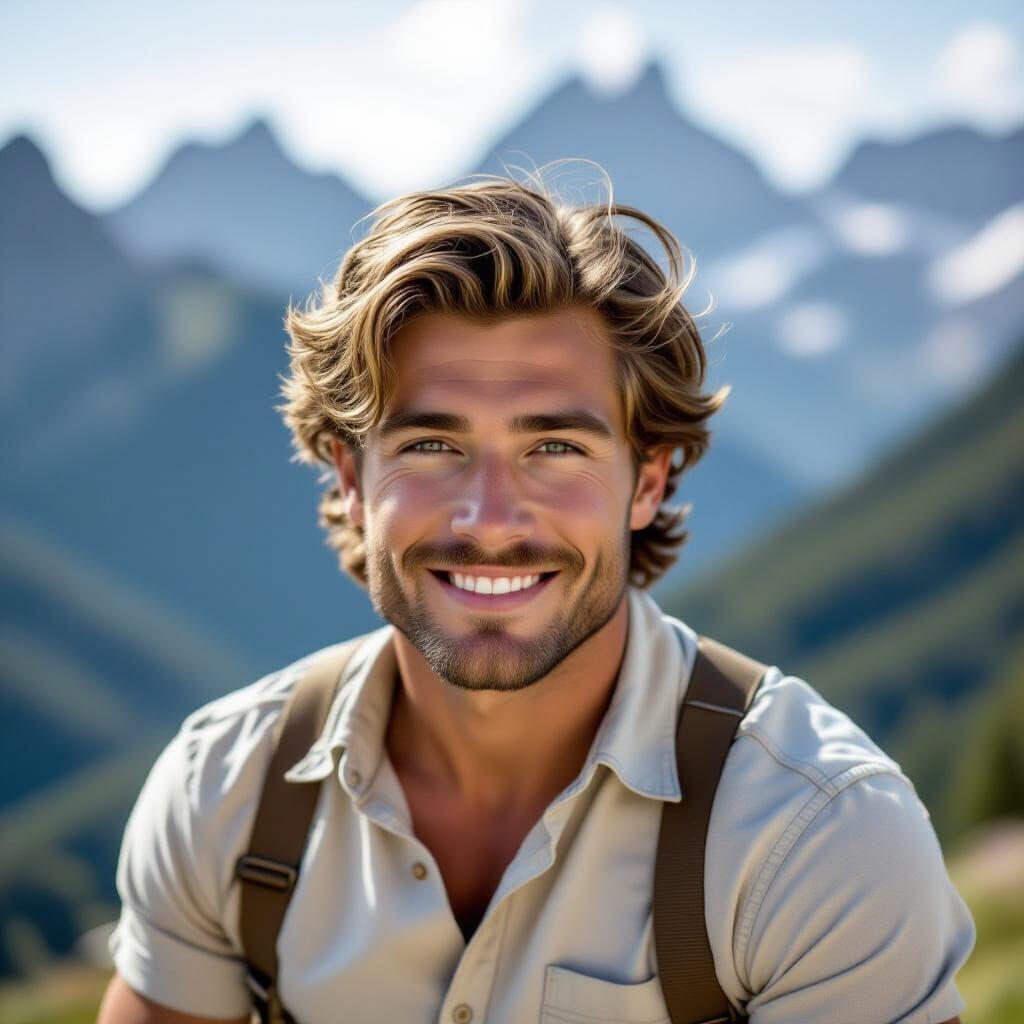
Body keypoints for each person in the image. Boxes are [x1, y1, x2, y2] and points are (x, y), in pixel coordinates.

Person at [98, 165, 974, 1024]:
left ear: (647, 481)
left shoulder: (817, 836)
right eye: (431, 446)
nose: (489, 521)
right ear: (352, 480)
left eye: (555, 448)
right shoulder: (224, 793)